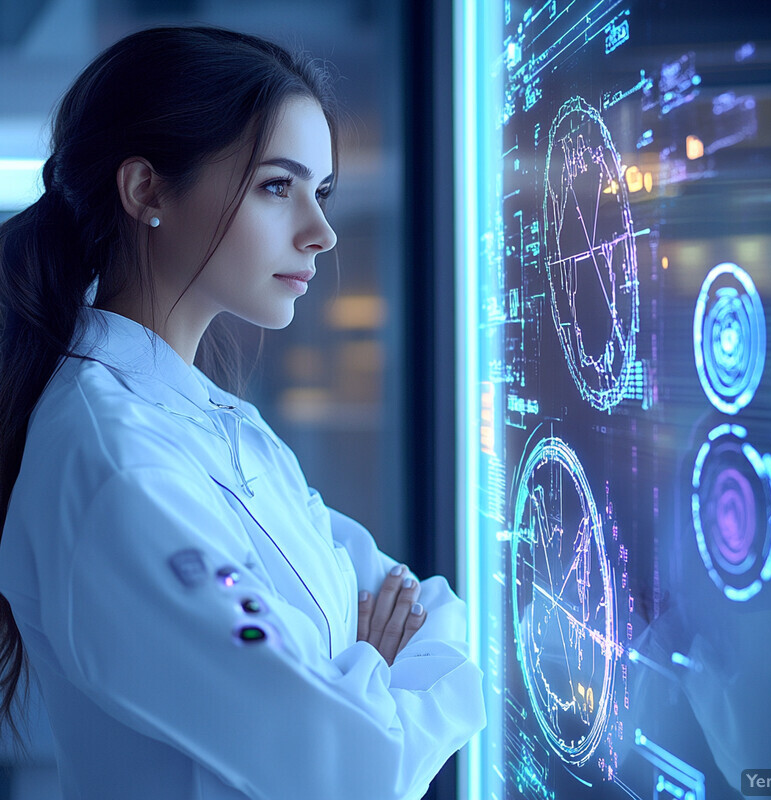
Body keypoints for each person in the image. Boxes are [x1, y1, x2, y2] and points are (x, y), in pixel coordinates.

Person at [0, 25, 486, 800]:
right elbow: (355, 770)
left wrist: (357, 678)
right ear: (147, 191)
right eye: (276, 186)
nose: (321, 232)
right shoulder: (117, 467)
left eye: (320, 193)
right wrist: (372, 666)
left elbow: (437, 620)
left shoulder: (220, 425)